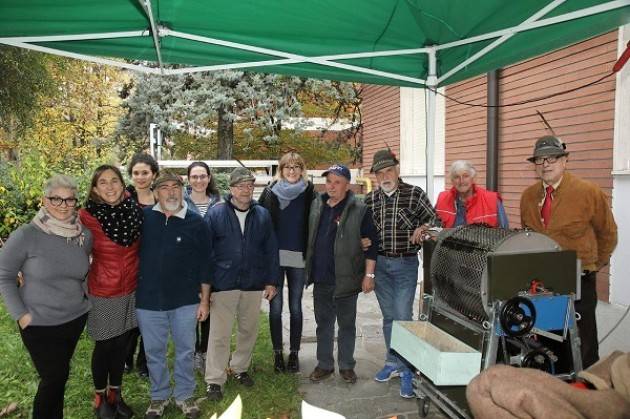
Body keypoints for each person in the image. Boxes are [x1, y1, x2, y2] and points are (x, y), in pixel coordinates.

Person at [520, 136, 617, 368]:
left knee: (583, 343)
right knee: (547, 339)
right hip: (542, 283)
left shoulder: (588, 192)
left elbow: (608, 233)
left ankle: (585, 391)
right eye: (540, 159)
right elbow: (528, 237)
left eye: (552, 158)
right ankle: (554, 387)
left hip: (579, 282)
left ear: (565, 160)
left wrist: (592, 265)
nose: (545, 164)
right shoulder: (528, 197)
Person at [0, 175, 92, 419]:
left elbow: (82, 273)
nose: (63, 205)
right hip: (38, 322)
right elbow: (4, 276)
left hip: (74, 318)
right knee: (53, 377)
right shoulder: (26, 235)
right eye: (56, 199)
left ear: (75, 202)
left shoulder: (83, 235)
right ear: (44, 200)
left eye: (69, 199)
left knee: (59, 376)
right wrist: (21, 315)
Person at [364, 149, 439, 398]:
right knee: (388, 318)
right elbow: (361, 230)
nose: (385, 176)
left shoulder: (414, 194)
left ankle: (408, 369)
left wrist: (423, 227)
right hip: (380, 266)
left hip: (406, 264)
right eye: (380, 172)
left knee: (403, 316)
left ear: (397, 170)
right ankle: (392, 362)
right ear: (375, 176)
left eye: (389, 170)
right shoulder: (370, 200)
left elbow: (433, 219)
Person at [136, 170, 211, 419]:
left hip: (185, 302)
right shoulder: (143, 219)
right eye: (165, 187)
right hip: (148, 301)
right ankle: (159, 396)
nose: (171, 191)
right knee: (153, 352)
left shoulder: (196, 222)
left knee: (185, 350)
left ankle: (185, 395)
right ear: (156, 192)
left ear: (183, 190)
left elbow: (205, 264)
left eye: (176, 186)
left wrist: (204, 300)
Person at [204, 167, 279, 402]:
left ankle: (239, 368)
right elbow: (206, 252)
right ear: (232, 189)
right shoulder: (215, 214)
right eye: (241, 186)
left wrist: (271, 280)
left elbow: (271, 250)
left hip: (253, 282)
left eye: (249, 185)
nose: (246, 190)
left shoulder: (262, 215)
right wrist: (206, 286)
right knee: (219, 335)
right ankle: (215, 380)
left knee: (248, 330)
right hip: (224, 283)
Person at [79, 165, 144, 419]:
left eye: (114, 181)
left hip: (132, 288)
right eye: (103, 182)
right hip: (104, 290)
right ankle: (100, 398)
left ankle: (115, 395)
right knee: (105, 345)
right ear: (95, 188)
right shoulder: (86, 216)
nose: (110, 186)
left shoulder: (134, 210)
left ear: (122, 183)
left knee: (122, 345)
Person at [305, 164, 378, 384]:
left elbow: (371, 244)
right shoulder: (317, 205)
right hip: (322, 277)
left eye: (337, 182)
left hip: (347, 278)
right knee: (323, 324)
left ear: (348, 185)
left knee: (346, 325)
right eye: (329, 181)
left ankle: (347, 365)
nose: (332, 186)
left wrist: (369, 275)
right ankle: (324, 365)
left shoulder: (360, 208)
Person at [258, 152, 316, 373]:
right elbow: (259, 225)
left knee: (295, 307)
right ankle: (277, 356)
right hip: (273, 259)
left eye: (296, 167)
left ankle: (293, 354)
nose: (291, 171)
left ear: (302, 170)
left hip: (298, 258)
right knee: (275, 309)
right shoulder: (269, 192)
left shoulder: (310, 193)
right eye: (287, 167)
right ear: (280, 170)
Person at [183, 161, 222, 374]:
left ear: (209, 178)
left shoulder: (219, 203)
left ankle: (205, 351)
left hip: (213, 264)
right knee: (191, 310)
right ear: (189, 179)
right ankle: (192, 353)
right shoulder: (180, 202)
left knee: (210, 309)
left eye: (202, 176)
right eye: (195, 176)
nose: (199, 180)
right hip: (188, 265)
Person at [124, 152, 159, 377]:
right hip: (129, 264)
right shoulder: (124, 198)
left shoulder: (161, 199)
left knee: (151, 317)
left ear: (153, 174)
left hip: (155, 265)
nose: (140, 177)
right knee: (130, 316)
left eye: (145, 172)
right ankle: (126, 358)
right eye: (136, 173)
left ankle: (145, 362)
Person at [435, 160, 509, 229]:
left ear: (473, 178)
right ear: (452, 181)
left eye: (466, 176)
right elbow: (433, 229)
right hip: (448, 242)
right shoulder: (442, 199)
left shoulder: (492, 200)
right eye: (457, 177)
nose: (461, 181)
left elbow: (505, 233)